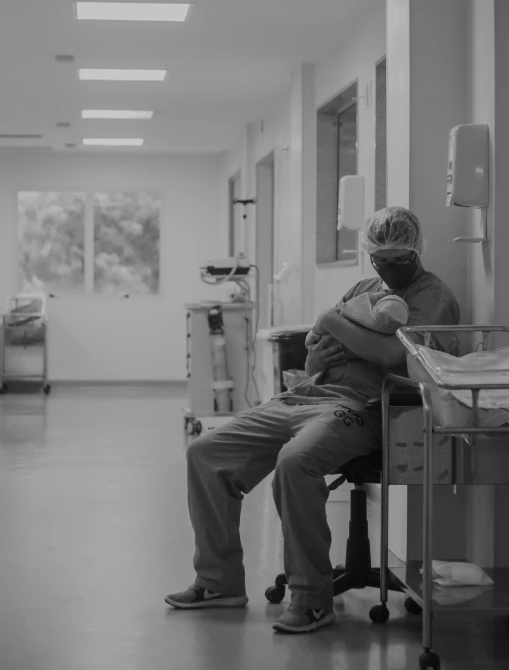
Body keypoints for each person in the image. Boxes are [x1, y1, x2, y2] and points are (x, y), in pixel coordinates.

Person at [165, 206, 460, 634]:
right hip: (306, 394)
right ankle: (218, 581)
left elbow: (391, 355)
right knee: (206, 452)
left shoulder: (432, 296)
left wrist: (331, 322)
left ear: (417, 251)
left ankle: (311, 598)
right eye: (382, 260)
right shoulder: (363, 288)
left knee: (295, 462)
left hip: (362, 406)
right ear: (370, 257)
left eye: (400, 259)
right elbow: (315, 354)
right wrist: (322, 348)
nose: (391, 268)